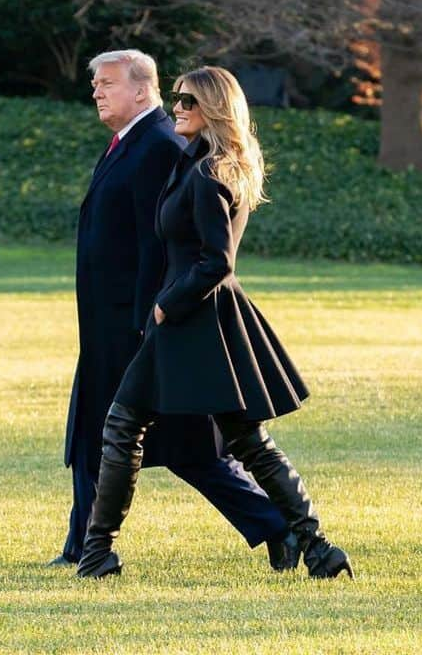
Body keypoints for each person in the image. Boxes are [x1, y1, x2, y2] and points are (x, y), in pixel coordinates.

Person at [76, 66, 354, 580]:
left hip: (195, 322)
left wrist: (165, 306)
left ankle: (97, 555)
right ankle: (317, 549)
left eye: (187, 101)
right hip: (195, 322)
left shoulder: (208, 174)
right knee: (227, 438)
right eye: (176, 99)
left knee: (148, 429)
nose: (176, 108)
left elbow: (216, 262)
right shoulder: (200, 164)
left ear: (214, 109)